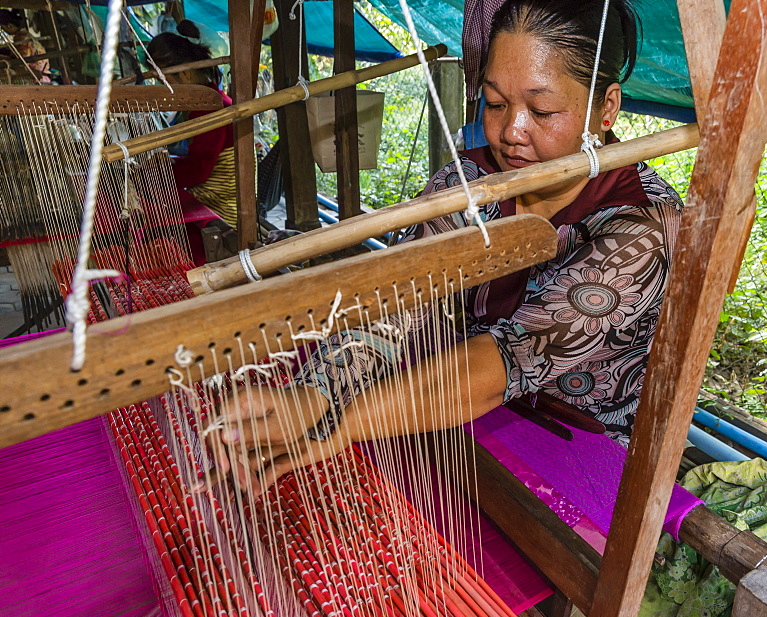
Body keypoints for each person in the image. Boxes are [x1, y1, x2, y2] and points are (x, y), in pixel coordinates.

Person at [204, 0, 682, 495]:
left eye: (542, 110)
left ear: (607, 107)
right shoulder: (468, 183)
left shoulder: (643, 225)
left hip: (578, 456)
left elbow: (505, 360)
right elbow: (398, 301)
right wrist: (313, 394)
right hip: (451, 418)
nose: (510, 132)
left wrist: (335, 427)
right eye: (495, 104)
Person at [147, 23, 238, 231]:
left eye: (165, 81)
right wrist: (167, 164)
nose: (164, 89)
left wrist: (152, 177)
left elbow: (199, 171)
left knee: (151, 227)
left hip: (221, 215)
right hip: (216, 201)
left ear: (185, 75)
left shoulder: (210, 109)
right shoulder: (212, 101)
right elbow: (203, 159)